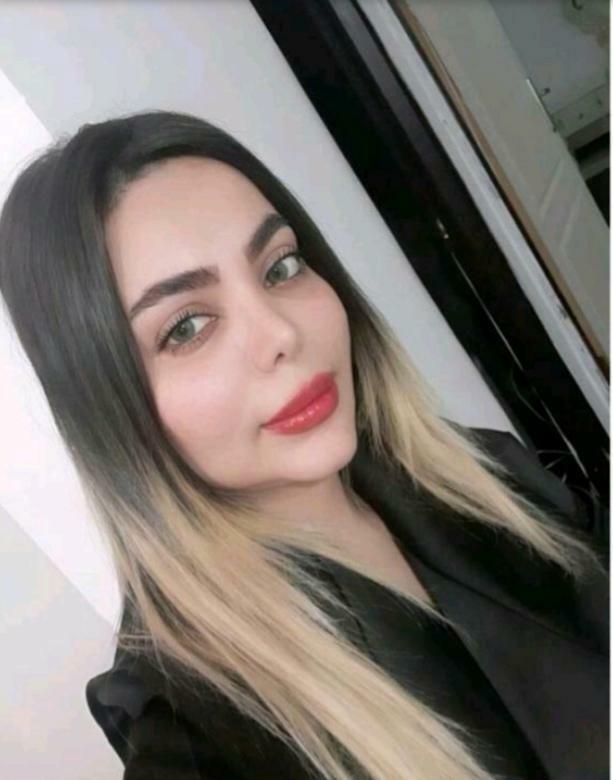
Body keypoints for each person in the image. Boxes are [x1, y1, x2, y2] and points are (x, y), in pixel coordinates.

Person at [0, 109, 607, 780]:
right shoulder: (194, 733)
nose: (280, 332)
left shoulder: (486, 476)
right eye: (187, 327)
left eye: (280, 266)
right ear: (108, 406)